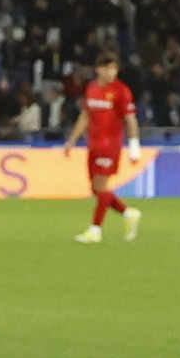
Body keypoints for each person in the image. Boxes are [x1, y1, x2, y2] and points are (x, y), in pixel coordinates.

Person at [67, 58, 139, 243]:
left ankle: (95, 230)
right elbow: (85, 116)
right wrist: (72, 140)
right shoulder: (92, 88)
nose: (111, 73)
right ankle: (128, 213)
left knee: (101, 187)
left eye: (114, 69)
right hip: (94, 145)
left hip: (110, 146)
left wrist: (134, 145)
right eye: (108, 68)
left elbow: (130, 119)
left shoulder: (121, 91)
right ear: (99, 69)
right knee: (96, 190)